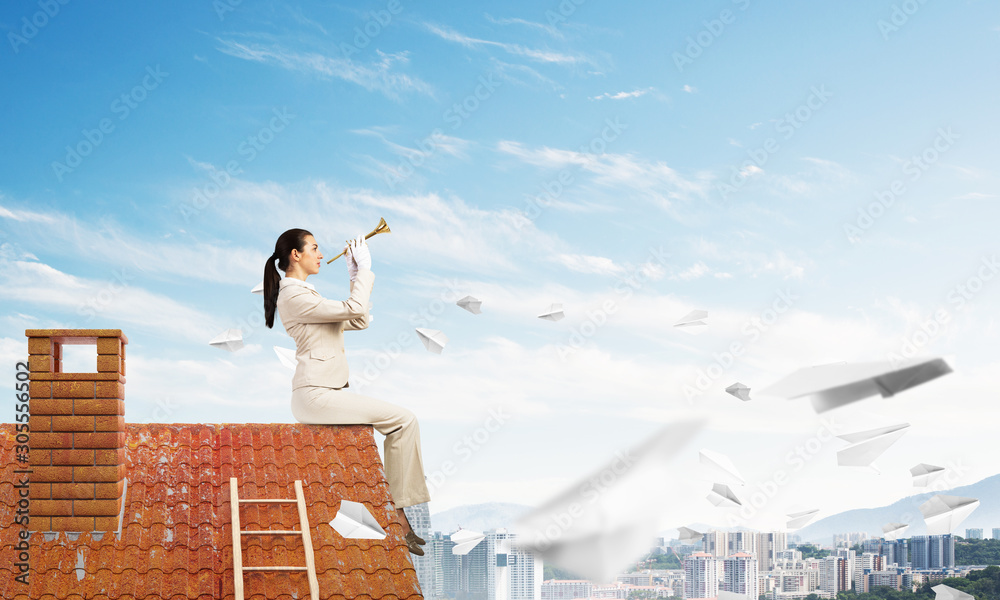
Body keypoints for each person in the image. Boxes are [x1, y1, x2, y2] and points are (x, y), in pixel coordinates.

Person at [263, 228, 430, 555]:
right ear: (295, 255)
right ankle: (397, 512)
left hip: (323, 393)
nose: (321, 254)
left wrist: (356, 277)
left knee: (402, 421)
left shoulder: (307, 295)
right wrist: (364, 272)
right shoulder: (294, 295)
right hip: (316, 394)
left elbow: (359, 319)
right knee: (404, 420)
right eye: (314, 248)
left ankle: (398, 512)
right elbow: (354, 309)